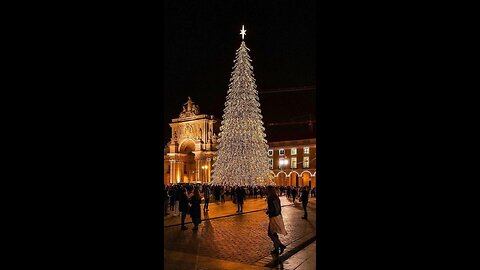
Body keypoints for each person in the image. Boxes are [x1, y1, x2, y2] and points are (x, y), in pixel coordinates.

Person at [266, 186, 287, 254]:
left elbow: (271, 209)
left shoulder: (270, 198)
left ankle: (280, 245)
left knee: (270, 233)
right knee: (274, 233)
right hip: (278, 216)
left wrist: (268, 212)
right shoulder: (276, 197)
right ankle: (276, 248)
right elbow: (279, 207)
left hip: (273, 217)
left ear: (269, 191)